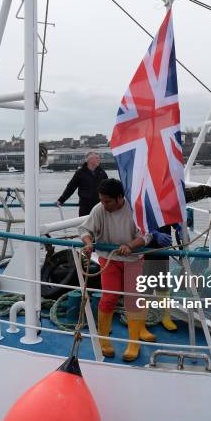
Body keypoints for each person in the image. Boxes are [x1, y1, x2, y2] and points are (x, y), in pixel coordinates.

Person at [79, 178, 151, 362]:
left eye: (108, 201)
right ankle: (104, 341)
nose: (104, 204)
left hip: (133, 259)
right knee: (109, 297)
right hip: (108, 258)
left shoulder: (136, 209)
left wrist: (130, 245)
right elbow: (85, 230)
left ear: (120, 198)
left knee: (133, 299)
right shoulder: (99, 209)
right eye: (102, 200)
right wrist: (88, 244)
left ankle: (134, 343)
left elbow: (146, 235)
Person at [57, 151, 108, 216]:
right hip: (85, 207)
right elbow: (71, 187)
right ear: (90, 160)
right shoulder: (80, 173)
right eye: (97, 158)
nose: (99, 160)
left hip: (99, 206)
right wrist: (61, 200)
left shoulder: (102, 172)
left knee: (99, 225)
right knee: (85, 225)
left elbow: (108, 188)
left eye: (99, 158)